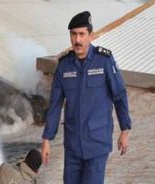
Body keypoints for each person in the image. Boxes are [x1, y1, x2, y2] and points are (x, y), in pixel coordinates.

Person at [41, 11, 131, 184]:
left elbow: (119, 95)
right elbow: (55, 105)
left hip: (97, 144)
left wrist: (124, 131)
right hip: (73, 146)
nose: (78, 40)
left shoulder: (104, 61)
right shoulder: (64, 66)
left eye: (82, 34)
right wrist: (47, 139)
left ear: (91, 35)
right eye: (74, 34)